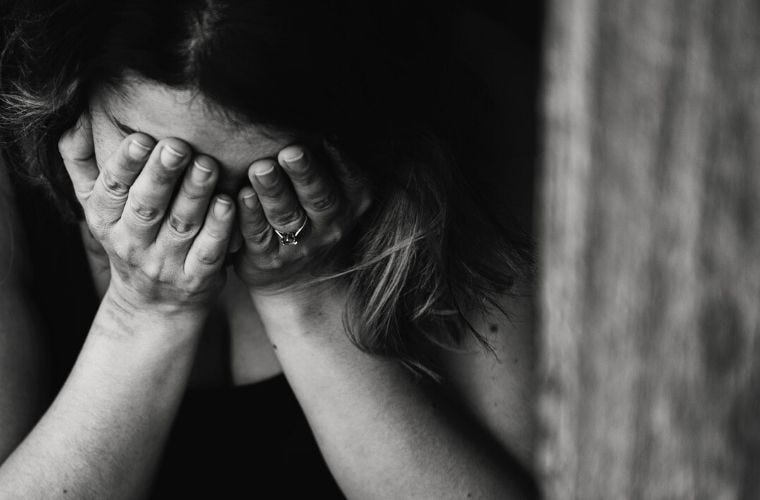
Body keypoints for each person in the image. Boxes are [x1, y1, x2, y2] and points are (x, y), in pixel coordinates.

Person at [0, 0, 539, 497]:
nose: (209, 214)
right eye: (157, 160)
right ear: (72, 89)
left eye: (271, 175)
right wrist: (142, 311)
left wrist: (304, 297)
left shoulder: (475, 96)